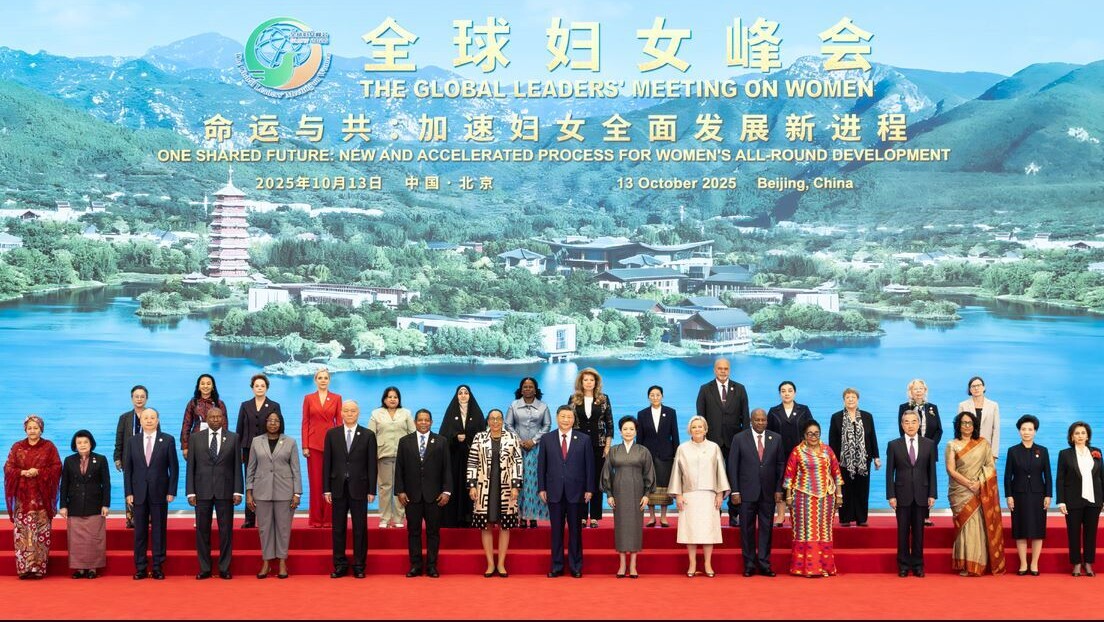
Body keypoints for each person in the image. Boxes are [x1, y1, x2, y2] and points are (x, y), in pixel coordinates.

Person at [185, 407, 243, 580]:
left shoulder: (233, 438)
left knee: (226, 531)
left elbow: (237, 467)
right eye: (212, 417)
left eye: (219, 416)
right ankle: (205, 568)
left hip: (225, 491)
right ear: (207, 419)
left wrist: (238, 490)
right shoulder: (195, 438)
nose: (216, 419)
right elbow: (191, 468)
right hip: (201, 491)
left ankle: (224, 567)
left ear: (223, 418)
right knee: (202, 531)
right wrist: (190, 492)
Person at [946, 411, 1005, 576]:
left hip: (979, 488)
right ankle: (964, 564)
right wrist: (968, 484)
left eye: (970, 423)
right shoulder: (952, 444)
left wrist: (979, 483)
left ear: (975, 426)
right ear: (958, 425)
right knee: (964, 527)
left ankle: (977, 565)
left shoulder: (983, 444)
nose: (966, 426)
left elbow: (990, 466)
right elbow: (950, 469)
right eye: (963, 423)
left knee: (977, 526)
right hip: (959, 491)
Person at [669, 415, 729, 577]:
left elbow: (720, 471)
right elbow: (676, 473)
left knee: (708, 530)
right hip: (689, 496)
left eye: (700, 426)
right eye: (694, 427)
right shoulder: (682, 448)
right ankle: (692, 563)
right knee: (691, 530)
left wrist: (719, 493)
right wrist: (678, 495)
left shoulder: (714, 447)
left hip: (709, 495)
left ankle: (708, 564)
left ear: (705, 429)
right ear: (690, 430)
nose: (697, 429)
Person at [323, 400, 378, 579]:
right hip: (337, 487)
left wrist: (372, 490)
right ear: (341, 413)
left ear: (358, 413)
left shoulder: (368, 435)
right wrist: (326, 489)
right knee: (338, 529)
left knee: (360, 528)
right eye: (346, 411)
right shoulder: (332, 434)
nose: (349, 414)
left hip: (359, 488)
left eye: (353, 411)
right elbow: (327, 464)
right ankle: (339, 564)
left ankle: (359, 565)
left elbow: (372, 465)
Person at [395, 409, 452, 578]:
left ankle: (432, 566)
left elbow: (447, 468)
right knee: (413, 532)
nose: (423, 422)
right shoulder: (405, 441)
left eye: (427, 420)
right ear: (415, 421)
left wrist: (447, 491)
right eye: (420, 420)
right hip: (411, 496)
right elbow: (399, 468)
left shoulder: (441, 441)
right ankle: (416, 565)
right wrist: (400, 490)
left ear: (431, 422)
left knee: (433, 532)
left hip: (434, 496)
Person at [783, 419, 843, 578]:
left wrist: (839, 495)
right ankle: (805, 568)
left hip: (826, 498)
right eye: (810, 433)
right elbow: (789, 475)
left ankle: (825, 567)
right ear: (804, 435)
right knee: (805, 532)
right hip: (802, 498)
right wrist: (788, 497)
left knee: (824, 532)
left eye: (816, 433)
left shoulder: (827, 450)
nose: (813, 436)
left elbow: (836, 473)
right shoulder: (797, 451)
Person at [4, 415, 62, 579]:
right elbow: (8, 468)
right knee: (23, 533)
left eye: (36, 428)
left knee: (41, 534)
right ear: (25, 429)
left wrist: (39, 472)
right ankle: (24, 568)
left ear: (41, 429)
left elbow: (57, 467)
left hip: (41, 499)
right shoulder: (17, 447)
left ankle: (38, 569)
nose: (32, 431)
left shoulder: (49, 447)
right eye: (29, 428)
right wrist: (22, 472)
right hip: (23, 499)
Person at [539, 405, 594, 578]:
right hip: (554, 491)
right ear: (557, 418)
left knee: (576, 532)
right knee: (556, 532)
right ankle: (556, 566)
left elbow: (590, 466)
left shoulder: (584, 439)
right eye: (563, 416)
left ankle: (576, 567)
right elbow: (542, 466)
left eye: (569, 417)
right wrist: (542, 488)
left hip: (576, 492)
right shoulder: (547, 439)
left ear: (573, 419)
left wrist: (589, 489)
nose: (566, 420)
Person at [728, 408, 785, 577]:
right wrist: (735, 491)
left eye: (763, 420)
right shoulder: (739, 438)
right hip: (745, 493)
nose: (760, 422)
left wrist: (778, 489)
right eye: (757, 420)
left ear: (767, 421)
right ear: (751, 421)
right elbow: (733, 466)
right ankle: (749, 564)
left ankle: (765, 563)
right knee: (746, 529)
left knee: (767, 528)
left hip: (769, 493)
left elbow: (780, 464)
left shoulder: (776, 438)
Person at [124, 408, 179, 580]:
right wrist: (128, 492)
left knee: (159, 531)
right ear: (141, 420)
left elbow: (174, 467)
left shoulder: (167, 440)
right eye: (146, 417)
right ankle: (140, 567)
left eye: (152, 417)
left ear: (157, 420)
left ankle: (157, 566)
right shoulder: (132, 441)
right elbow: (128, 469)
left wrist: (171, 490)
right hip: (138, 493)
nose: (149, 420)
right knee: (139, 532)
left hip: (160, 493)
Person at [246, 411, 301, 580]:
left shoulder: (290, 442)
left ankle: (282, 561)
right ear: (265, 422)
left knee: (283, 529)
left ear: (281, 423)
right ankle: (267, 562)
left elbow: (296, 469)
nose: (273, 423)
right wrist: (249, 492)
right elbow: (251, 468)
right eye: (270, 420)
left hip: (285, 491)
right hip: (261, 491)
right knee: (264, 529)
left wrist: (297, 492)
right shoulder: (256, 441)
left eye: (276, 421)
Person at [469, 409, 524, 577]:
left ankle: (501, 564)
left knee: (504, 526)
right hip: (484, 487)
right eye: (492, 419)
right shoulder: (479, 437)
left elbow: (517, 462)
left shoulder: (512, 437)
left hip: (506, 487)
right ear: (487, 421)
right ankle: (490, 564)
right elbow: (472, 462)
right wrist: (471, 485)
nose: (495, 422)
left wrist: (516, 485)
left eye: (498, 418)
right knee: (486, 526)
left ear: (503, 421)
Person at [695, 358, 748, 527]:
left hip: (735, 442)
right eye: (720, 368)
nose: (723, 371)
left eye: (726, 368)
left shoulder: (740, 389)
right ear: (714, 370)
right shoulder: (705, 389)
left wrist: (746, 441)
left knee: (734, 478)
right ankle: (714, 513)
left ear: (729, 370)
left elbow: (745, 418)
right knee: (712, 478)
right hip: (711, 443)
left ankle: (734, 514)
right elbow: (700, 418)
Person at [600, 416, 656, 578]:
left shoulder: (643, 451)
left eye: (631, 429)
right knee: (621, 528)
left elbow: (649, 474)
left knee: (635, 528)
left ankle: (633, 565)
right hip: (618, 494)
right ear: (620, 431)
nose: (628, 432)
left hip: (638, 493)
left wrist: (647, 495)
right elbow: (606, 473)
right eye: (625, 429)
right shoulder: (614, 450)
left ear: (636, 431)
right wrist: (609, 494)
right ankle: (622, 564)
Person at [885, 410, 937, 578]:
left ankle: (918, 565)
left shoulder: (929, 444)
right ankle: (903, 565)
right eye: (906, 422)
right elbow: (889, 473)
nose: (910, 425)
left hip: (922, 494)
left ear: (919, 424)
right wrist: (891, 495)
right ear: (902, 425)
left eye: (914, 421)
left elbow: (932, 472)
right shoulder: (894, 445)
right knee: (902, 532)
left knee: (919, 533)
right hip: (901, 495)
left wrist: (932, 494)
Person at [59, 429, 110, 579]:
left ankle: (93, 568)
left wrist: (105, 504)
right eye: (79, 442)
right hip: (74, 504)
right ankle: (79, 569)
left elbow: (106, 484)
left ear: (91, 443)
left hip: (95, 504)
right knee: (77, 540)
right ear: (75, 445)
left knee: (94, 538)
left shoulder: (100, 459)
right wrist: (63, 505)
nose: (82, 445)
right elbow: (64, 484)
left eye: (85, 442)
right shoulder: (69, 460)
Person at [1004, 414, 1051, 576]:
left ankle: (1034, 564)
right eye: (1023, 429)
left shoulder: (1043, 451)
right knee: (1020, 529)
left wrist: (1048, 495)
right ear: (1019, 431)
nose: (1027, 432)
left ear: (1035, 431)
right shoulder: (1013, 451)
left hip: (1038, 495)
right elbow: (1007, 476)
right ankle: (1023, 564)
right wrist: (1009, 496)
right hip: (1019, 495)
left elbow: (1048, 476)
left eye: (1030, 429)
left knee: (1038, 530)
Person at [828, 388, 881, 527]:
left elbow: (872, 437)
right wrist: (833, 459)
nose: (850, 399)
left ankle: (861, 518)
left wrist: (876, 456)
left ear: (858, 399)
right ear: (844, 400)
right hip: (843, 460)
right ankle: (845, 518)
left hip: (864, 460)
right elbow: (832, 439)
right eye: (847, 397)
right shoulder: (836, 417)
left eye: (853, 397)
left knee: (862, 489)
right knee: (845, 489)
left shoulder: (867, 416)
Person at [1056, 421, 1103, 577]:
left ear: (1088, 435)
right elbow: (1060, 479)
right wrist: (1061, 501)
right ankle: (1076, 563)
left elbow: (1101, 477)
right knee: (1073, 533)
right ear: (1071, 436)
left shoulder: (1097, 452)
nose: (1080, 436)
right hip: (1072, 500)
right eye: (1077, 433)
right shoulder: (1065, 454)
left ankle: (1088, 563)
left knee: (1091, 534)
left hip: (1093, 500)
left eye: (1083, 433)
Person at [568, 368, 612, 528]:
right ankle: (580, 516)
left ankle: (594, 517)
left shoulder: (604, 399)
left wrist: (607, 446)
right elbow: (567, 422)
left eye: (591, 380)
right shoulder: (573, 399)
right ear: (581, 382)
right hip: (578, 446)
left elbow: (610, 425)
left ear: (596, 382)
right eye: (585, 380)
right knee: (579, 481)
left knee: (595, 481)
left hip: (598, 445)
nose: (588, 383)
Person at [236, 373, 281, 528]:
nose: (259, 388)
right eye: (257, 386)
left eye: (262, 386)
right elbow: (239, 429)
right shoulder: (245, 405)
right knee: (250, 481)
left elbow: (279, 428)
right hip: (248, 448)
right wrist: (239, 450)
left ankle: (267, 517)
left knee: (266, 482)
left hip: (268, 449)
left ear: (267, 388)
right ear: (252, 388)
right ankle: (249, 518)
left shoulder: (274, 405)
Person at [505, 377, 551, 529]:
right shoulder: (514, 405)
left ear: (535, 389)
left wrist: (534, 441)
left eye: (531, 387)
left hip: (537, 449)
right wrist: (519, 440)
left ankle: (533, 516)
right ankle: (520, 516)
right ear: (521, 389)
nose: (528, 389)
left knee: (534, 481)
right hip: (517, 448)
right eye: (525, 386)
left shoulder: (543, 406)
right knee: (520, 481)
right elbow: (508, 424)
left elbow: (547, 425)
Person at [766, 380, 812, 526]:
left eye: (790, 390)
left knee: (800, 484)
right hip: (778, 455)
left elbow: (811, 431)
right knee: (780, 484)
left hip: (800, 454)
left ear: (795, 393)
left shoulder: (804, 410)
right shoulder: (773, 411)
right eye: (783, 391)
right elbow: (768, 434)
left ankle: (799, 516)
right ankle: (780, 515)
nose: (786, 393)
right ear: (780, 394)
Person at [439, 384, 485, 528]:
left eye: (466, 393)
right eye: (460, 393)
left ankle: (471, 517)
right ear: (456, 396)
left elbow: (482, 435)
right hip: (454, 458)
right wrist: (455, 437)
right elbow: (443, 435)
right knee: (455, 486)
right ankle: (453, 518)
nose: (463, 395)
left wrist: (468, 438)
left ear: (470, 395)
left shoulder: (477, 414)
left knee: (471, 487)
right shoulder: (450, 412)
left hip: (472, 459)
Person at [898, 379, 942, 526]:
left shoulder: (932, 408)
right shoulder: (903, 407)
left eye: (921, 388)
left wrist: (928, 447)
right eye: (915, 388)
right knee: (911, 481)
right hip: (909, 450)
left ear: (925, 390)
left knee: (926, 482)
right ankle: (910, 515)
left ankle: (925, 516)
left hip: (928, 452)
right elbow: (901, 429)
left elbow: (938, 430)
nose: (918, 391)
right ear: (910, 391)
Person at [369, 386, 415, 529]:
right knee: (384, 488)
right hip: (383, 454)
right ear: (384, 399)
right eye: (390, 397)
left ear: (399, 399)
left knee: (400, 488)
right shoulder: (376, 413)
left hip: (403, 457)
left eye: (395, 397)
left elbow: (412, 433)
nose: (392, 399)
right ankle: (384, 518)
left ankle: (398, 518)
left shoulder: (406, 413)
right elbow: (370, 436)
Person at [302, 367, 341, 528]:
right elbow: (305, 422)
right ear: (315, 380)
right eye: (320, 378)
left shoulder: (337, 398)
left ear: (329, 380)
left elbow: (339, 423)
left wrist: (340, 446)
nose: (323, 380)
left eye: (326, 378)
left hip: (332, 445)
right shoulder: (308, 398)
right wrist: (305, 445)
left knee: (332, 482)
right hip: (314, 445)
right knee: (316, 482)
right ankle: (316, 519)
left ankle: (329, 519)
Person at [637, 385, 679, 528]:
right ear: (648, 397)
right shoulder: (642, 414)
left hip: (666, 455)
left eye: (658, 395)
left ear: (662, 396)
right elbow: (640, 438)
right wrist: (639, 456)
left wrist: (676, 455)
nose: (655, 397)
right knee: (649, 484)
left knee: (664, 485)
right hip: (648, 455)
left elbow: (675, 435)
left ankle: (663, 516)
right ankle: (651, 517)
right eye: (652, 395)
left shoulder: (670, 412)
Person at [114, 384, 152, 529]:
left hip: (148, 459)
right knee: (130, 488)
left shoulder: (151, 415)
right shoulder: (124, 418)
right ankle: (131, 519)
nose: (139, 399)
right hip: (129, 459)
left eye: (142, 396)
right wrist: (117, 457)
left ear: (146, 399)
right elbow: (119, 439)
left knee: (148, 488)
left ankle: (148, 518)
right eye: (136, 396)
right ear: (132, 399)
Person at [180, 373, 227, 460]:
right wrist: (185, 446)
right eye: (202, 383)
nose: (205, 386)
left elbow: (224, 425)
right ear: (198, 386)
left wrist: (224, 444)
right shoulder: (192, 403)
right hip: (196, 439)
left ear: (213, 387)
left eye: (208, 384)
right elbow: (186, 425)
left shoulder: (219, 404)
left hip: (215, 439)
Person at [958, 376, 1000, 461]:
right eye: (973, 386)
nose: (976, 388)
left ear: (984, 387)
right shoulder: (963, 405)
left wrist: (994, 454)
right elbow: (959, 429)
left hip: (986, 449)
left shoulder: (993, 405)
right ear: (970, 389)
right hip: (968, 449)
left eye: (979, 385)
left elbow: (996, 430)